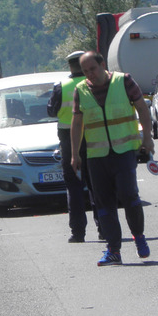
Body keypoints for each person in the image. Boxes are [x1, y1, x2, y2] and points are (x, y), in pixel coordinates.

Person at [70, 51, 154, 266]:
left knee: (129, 197)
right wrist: (75, 153)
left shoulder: (123, 81)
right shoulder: (80, 90)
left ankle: (139, 238)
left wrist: (148, 138)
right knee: (103, 204)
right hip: (97, 156)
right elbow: (77, 123)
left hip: (124, 151)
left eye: (93, 69)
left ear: (102, 65)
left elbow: (142, 109)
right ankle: (113, 250)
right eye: (86, 71)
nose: (90, 74)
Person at [48, 50, 100, 243]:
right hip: (93, 137)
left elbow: (51, 110)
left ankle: (78, 232)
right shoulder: (94, 83)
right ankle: (103, 228)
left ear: (70, 66)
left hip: (69, 141)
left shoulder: (61, 86)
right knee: (97, 185)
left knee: (74, 186)